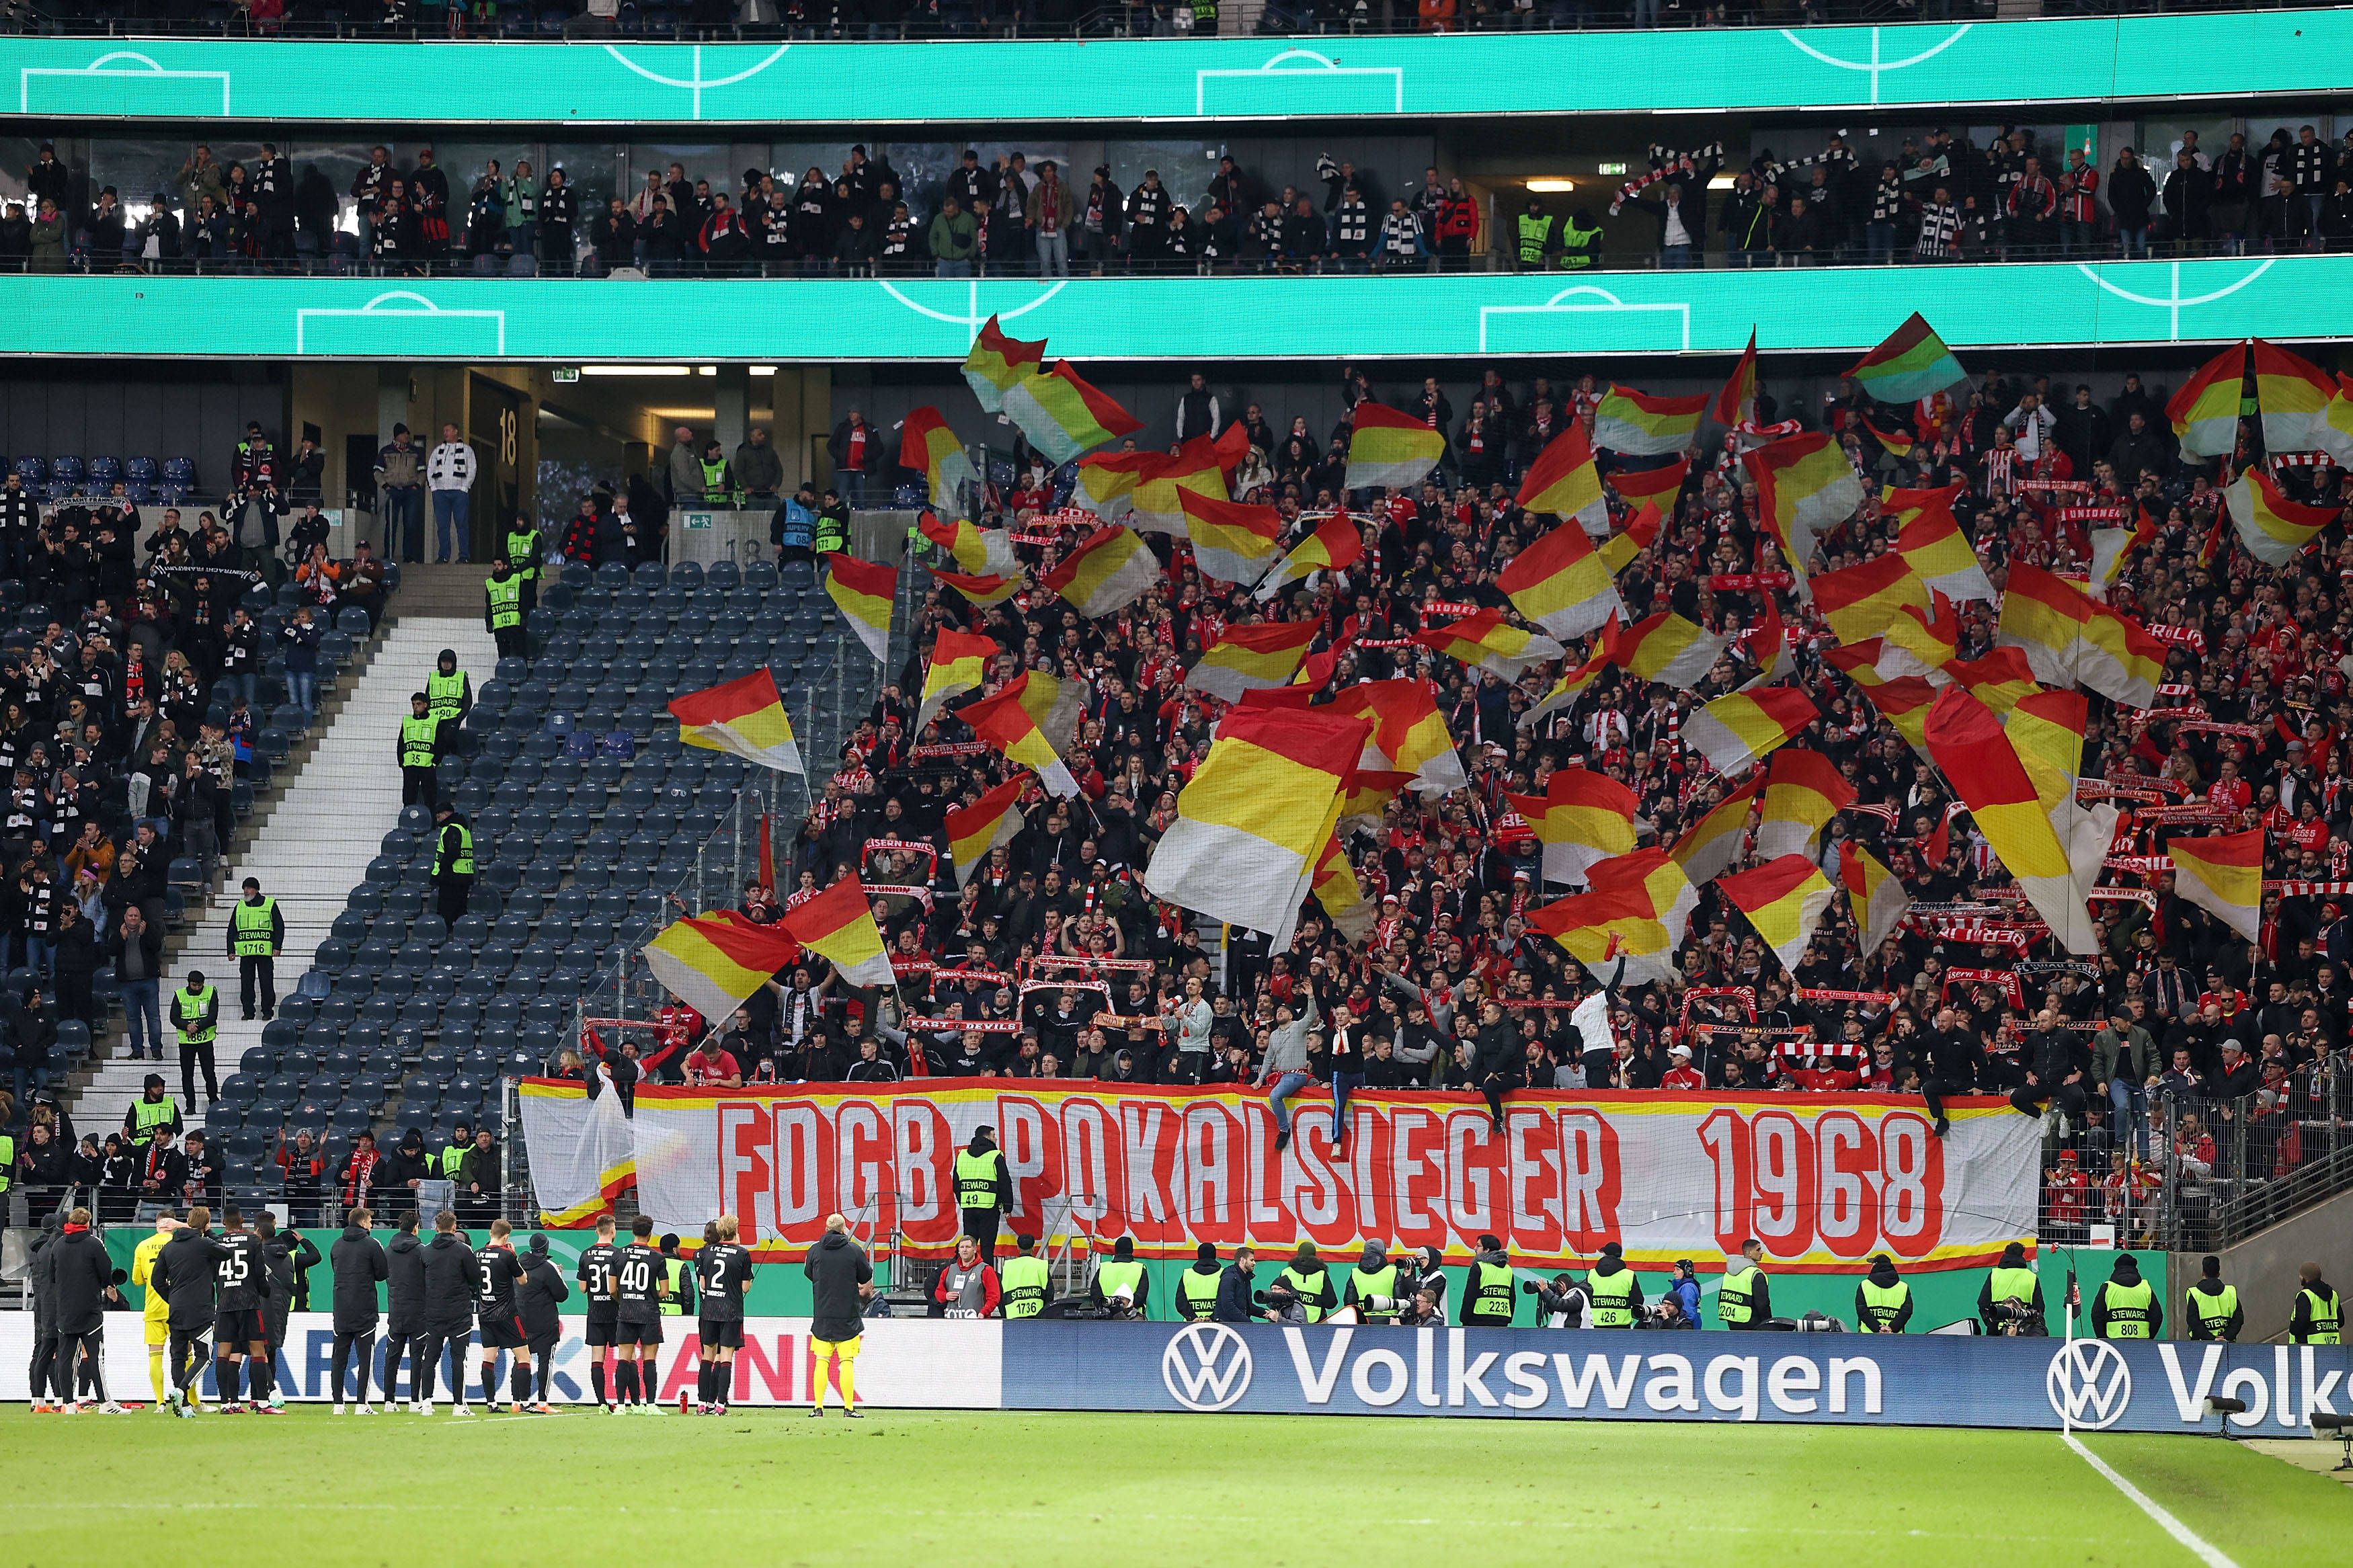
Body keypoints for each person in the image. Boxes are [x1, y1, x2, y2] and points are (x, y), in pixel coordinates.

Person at [147, 1203, 230, 1415]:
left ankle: (182, 1407)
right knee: (204, 1356)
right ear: (206, 1224)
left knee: (178, 1357)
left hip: (175, 1310)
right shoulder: (204, 1244)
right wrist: (207, 1231)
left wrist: (172, 1298)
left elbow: (156, 1281)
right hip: (200, 1310)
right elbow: (226, 1252)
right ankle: (181, 1391)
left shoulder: (169, 1248)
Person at [804, 1212, 873, 1417]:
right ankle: (849, 1408)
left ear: (826, 1229)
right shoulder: (854, 1250)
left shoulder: (815, 1250)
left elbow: (808, 1273)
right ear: (844, 1229)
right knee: (847, 1362)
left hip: (823, 1314)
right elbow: (866, 1275)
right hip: (848, 1315)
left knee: (821, 1361)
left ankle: (818, 1408)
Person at [210, 1204, 276, 1413]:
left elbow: (212, 1274)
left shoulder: (215, 1242)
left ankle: (226, 1403)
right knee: (258, 1351)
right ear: (242, 1221)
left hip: (225, 1303)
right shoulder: (253, 1240)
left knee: (223, 1353)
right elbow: (259, 1273)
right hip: (248, 1302)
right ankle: (263, 1403)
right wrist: (265, 1291)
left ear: (223, 1223)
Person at [415, 1208, 477, 1414]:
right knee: (459, 1359)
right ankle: (459, 1405)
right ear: (454, 1228)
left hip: (433, 1313)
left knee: (429, 1359)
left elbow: (421, 1281)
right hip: (459, 1313)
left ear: (435, 1228)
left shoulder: (426, 1251)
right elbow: (475, 1278)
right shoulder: (463, 1251)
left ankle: (426, 1403)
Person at [329, 1205, 389, 1413]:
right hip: (364, 1309)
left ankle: (338, 1404)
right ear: (363, 1223)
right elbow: (382, 1274)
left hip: (342, 1308)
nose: (371, 1225)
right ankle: (362, 1404)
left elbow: (334, 1270)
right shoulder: (372, 1245)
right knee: (365, 1360)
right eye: (370, 1222)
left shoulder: (336, 1245)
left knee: (339, 1359)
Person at [473, 1216, 533, 1414]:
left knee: (489, 1357)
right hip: (507, 1314)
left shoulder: (478, 1254)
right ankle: (524, 1402)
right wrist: (513, 1253)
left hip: (485, 1313)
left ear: (491, 1233)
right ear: (506, 1236)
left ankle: (491, 1403)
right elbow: (523, 1280)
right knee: (524, 1357)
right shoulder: (508, 1255)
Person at [614, 1213, 670, 1413]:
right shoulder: (657, 1258)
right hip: (649, 1313)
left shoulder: (619, 1254)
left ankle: (620, 1406)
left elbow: (612, 1289)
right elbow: (664, 1291)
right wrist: (648, 1295)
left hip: (626, 1311)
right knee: (649, 1359)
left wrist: (626, 1299)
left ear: (632, 1231)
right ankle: (651, 1405)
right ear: (650, 1234)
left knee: (624, 1358)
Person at [694, 1214, 750, 1414]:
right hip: (731, 1311)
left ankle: (701, 1404)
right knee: (726, 1357)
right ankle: (720, 1405)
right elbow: (745, 1288)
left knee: (707, 1357)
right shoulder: (742, 1254)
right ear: (735, 1230)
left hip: (710, 1310)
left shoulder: (706, 1252)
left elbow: (703, 1283)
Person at [129, 1210, 184, 1411]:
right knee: (185, 1356)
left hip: (153, 1306)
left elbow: (136, 1280)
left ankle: (160, 1402)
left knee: (155, 1355)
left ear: (157, 1225)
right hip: (178, 1307)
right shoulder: (180, 1244)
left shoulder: (143, 1246)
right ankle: (190, 1400)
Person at [575, 1212, 623, 1410]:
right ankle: (625, 1402)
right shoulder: (618, 1254)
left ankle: (602, 1402)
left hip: (595, 1312)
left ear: (596, 1230)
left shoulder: (586, 1254)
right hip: (616, 1313)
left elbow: (582, 1288)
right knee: (625, 1356)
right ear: (612, 1230)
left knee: (597, 1359)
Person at [108, 904, 165, 1064]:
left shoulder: (148, 931)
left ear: (140, 918)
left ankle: (156, 1049)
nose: (133, 918)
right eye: (130, 916)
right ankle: (137, 1050)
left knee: (153, 1017)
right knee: (133, 1019)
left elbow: (156, 947)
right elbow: (111, 951)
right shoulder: (119, 933)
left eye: (136, 916)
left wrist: (144, 934)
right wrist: (122, 938)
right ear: (125, 918)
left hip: (149, 981)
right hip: (127, 984)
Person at [518, 1232, 567, 1412]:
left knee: (521, 1360)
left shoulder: (518, 1263)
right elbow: (562, 1295)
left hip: (520, 1319)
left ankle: (518, 1402)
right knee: (545, 1360)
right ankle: (542, 1402)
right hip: (545, 1322)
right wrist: (558, 1275)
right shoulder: (548, 1267)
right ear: (546, 1247)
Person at [952, 1122, 1012, 1264]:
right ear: (988, 1138)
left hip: (969, 1209)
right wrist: (1008, 1207)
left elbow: (956, 1184)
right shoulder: (995, 1156)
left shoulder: (962, 1156)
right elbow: (1005, 1183)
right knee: (987, 1248)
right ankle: (986, 1280)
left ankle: (963, 1277)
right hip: (989, 1209)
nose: (996, 1139)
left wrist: (964, 1201)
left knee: (967, 1247)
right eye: (994, 1135)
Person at [226, 876, 284, 1022]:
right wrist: (230, 950)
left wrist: (277, 946)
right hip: (246, 954)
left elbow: (279, 926)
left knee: (266, 983)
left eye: (249, 888)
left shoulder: (270, 904)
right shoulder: (239, 906)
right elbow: (232, 929)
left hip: (265, 953)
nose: (246, 891)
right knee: (246, 984)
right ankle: (248, 1012)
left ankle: (267, 1012)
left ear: (256, 890)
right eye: (244, 888)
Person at [385, 1210, 426, 1408]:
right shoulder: (421, 1251)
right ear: (416, 1227)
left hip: (395, 1308)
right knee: (417, 1356)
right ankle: (415, 1401)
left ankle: (389, 1400)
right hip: (418, 1310)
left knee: (392, 1356)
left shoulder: (387, 1250)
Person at [1979, 1241, 2046, 1335]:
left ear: (2005, 1254)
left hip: (1996, 1331)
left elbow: (1982, 1303)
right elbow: (2039, 1308)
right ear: (2022, 1255)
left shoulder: (1994, 1275)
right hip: (2022, 1330)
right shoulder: (2031, 1277)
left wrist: (1991, 1324)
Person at [2089, 1253, 2161, 1339]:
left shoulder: (2108, 1288)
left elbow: (2097, 1315)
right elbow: (2157, 1316)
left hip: (2113, 1342)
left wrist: (2104, 1339)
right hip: (2142, 1343)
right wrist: (2149, 1337)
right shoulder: (2145, 1287)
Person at [932, 1232, 1001, 1319]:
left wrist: (984, 1312)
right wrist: (945, 1296)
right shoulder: (949, 1270)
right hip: (952, 1322)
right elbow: (938, 1293)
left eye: (968, 1247)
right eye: (962, 1247)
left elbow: (994, 1297)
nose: (965, 1250)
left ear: (975, 1249)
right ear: (959, 1250)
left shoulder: (986, 1270)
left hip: (977, 1321)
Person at [430, 800, 475, 928]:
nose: (438, 820)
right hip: (463, 876)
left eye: (439, 817)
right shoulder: (463, 829)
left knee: (446, 917)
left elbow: (452, 852)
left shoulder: (452, 829)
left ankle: (446, 945)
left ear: (446, 814)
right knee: (460, 915)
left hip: (452, 878)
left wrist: (442, 869)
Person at [1341, 1239, 1406, 1324]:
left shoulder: (1355, 1273)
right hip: (1389, 1320)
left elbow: (1349, 1301)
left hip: (1364, 1320)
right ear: (1383, 1251)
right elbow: (1400, 1297)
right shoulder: (1393, 1271)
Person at [1585, 1240, 1644, 1327]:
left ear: (1604, 1254)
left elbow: (1585, 1299)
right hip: (1621, 1327)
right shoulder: (1629, 1275)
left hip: (1595, 1325)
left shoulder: (1592, 1274)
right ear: (1620, 1256)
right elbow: (1638, 1301)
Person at [2183, 1254, 2241, 1342]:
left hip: (2200, 1346)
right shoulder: (2230, 1292)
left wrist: (2212, 1338)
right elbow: (2238, 1320)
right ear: (2219, 1273)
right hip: (2228, 1346)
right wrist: (2226, 1337)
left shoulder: (2195, 1293)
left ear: (2203, 1272)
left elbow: (2193, 1321)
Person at [1718, 1237, 1772, 1330]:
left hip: (1732, 1320)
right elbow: (1763, 1304)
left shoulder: (1728, 1273)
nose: (1762, 1252)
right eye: (1758, 1249)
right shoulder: (1756, 1274)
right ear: (1749, 1253)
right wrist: (1769, 1323)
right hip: (1752, 1322)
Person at [425, 647, 471, 755]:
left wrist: (459, 718)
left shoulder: (461, 677)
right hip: (436, 720)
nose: (446, 664)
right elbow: (427, 699)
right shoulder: (433, 677)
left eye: (449, 662)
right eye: (443, 661)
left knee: (448, 741)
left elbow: (467, 701)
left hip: (453, 719)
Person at [1088, 1235, 1148, 1317]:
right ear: (1132, 1250)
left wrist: (1104, 1307)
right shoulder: (1139, 1268)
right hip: (1132, 1318)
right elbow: (1142, 1294)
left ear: (1116, 1250)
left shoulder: (1104, 1268)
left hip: (1106, 1316)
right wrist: (1127, 1307)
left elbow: (1095, 1293)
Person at [1463, 1233, 1515, 1327]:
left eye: (1479, 1246)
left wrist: (1464, 1319)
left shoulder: (1479, 1267)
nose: (1475, 1248)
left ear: (1487, 1250)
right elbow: (1512, 1298)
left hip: (1479, 1318)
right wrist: (1508, 1319)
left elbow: (1470, 1295)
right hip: (1502, 1320)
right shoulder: (1508, 1269)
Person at [1275, 1242, 1335, 1323]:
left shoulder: (1286, 1272)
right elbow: (1331, 1303)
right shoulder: (1322, 1274)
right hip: (1317, 1323)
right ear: (1315, 1255)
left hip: (1291, 1322)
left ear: (1298, 1254)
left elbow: (1277, 1299)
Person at [399, 690, 439, 810]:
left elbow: (439, 742)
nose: (415, 707)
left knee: (430, 798)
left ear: (425, 705)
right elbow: (401, 742)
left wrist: (435, 761)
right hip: (410, 766)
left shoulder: (435, 720)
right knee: (408, 798)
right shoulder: (407, 720)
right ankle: (408, 821)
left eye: (418, 704)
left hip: (427, 766)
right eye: (413, 704)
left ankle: (431, 824)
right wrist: (402, 762)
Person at [124, 1070, 183, 1151]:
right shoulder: (136, 1106)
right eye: (156, 1087)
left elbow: (179, 1127)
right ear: (149, 1090)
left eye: (161, 1086)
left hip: (167, 1148)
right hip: (143, 1150)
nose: (161, 1089)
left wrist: (167, 1139)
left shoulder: (171, 1104)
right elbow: (129, 1130)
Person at [1854, 1253, 1913, 1333]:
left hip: (1867, 1336)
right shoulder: (1903, 1287)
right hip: (1895, 1337)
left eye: (1872, 1264)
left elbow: (1862, 1310)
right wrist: (1892, 1328)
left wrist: (1877, 1328)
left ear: (1875, 1265)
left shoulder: (1864, 1285)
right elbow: (1906, 1311)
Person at [1000, 1232, 1051, 1321]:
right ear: (1033, 1248)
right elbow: (1050, 1293)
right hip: (1038, 1316)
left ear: (1018, 1248)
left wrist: (1004, 1316)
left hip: (1013, 1317)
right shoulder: (1042, 1265)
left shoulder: (1008, 1266)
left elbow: (1001, 1293)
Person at [484, 556, 527, 660]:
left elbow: (523, 601)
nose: (497, 567)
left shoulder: (516, 579)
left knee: (520, 655)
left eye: (499, 565)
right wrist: (489, 622)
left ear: (506, 566)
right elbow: (489, 605)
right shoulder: (490, 583)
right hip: (500, 627)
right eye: (495, 565)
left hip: (515, 625)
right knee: (503, 657)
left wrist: (524, 617)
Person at [2290, 1262, 2341, 1344]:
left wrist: (2293, 1328)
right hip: (2333, 1348)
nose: (2299, 1277)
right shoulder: (2333, 1294)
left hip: (2310, 1350)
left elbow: (2300, 1325)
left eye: (2301, 1275)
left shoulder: (2305, 1295)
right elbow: (2341, 1322)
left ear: (2304, 1278)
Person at [1174, 1240, 1223, 1321]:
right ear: (1214, 1255)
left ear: (1199, 1256)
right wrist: (1212, 1317)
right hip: (1218, 1326)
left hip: (1190, 1327)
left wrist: (1193, 1318)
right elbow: (1227, 1302)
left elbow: (1180, 1302)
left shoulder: (1187, 1275)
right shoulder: (1223, 1274)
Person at [1212, 1245, 1261, 1323]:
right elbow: (1228, 1306)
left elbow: (1247, 1306)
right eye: (1251, 1260)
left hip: (1236, 1326)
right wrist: (1248, 1323)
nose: (1254, 1263)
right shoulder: (1229, 1277)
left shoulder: (1245, 1278)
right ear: (1242, 1260)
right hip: (1226, 1326)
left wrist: (1265, 1313)